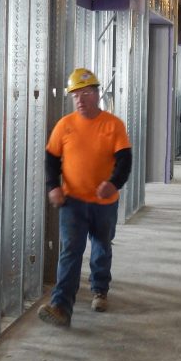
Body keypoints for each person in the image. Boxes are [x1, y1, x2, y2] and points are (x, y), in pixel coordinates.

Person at [38, 68, 132, 328]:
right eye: (75, 95)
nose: (80, 99)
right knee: (70, 251)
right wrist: (52, 186)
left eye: (86, 93)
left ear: (97, 94)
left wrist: (113, 184)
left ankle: (100, 289)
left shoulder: (113, 125)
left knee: (102, 245)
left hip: (104, 203)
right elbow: (51, 159)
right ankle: (61, 306)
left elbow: (124, 160)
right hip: (73, 201)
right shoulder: (65, 125)